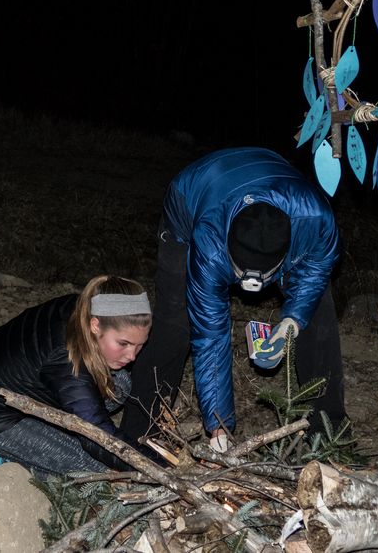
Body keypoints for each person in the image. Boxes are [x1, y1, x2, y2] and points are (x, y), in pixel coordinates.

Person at [119, 146, 347, 451]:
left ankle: (329, 434)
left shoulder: (317, 220)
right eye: (242, 274)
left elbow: (317, 269)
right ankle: (138, 433)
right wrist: (219, 426)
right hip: (193, 193)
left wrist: (291, 320)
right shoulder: (209, 241)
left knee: (318, 314)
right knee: (175, 322)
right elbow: (210, 335)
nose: (250, 286)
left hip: (272, 175)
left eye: (262, 279)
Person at [0, 276, 153, 498]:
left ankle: (52, 431)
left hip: (21, 387)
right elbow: (96, 435)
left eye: (140, 345)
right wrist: (158, 469)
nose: (132, 355)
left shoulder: (86, 307)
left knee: (120, 383)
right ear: (95, 325)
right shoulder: (67, 361)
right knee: (96, 473)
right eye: (123, 344)